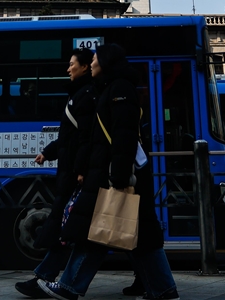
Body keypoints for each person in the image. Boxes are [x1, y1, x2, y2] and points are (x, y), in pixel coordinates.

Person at [42, 44, 178, 300]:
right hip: (111, 173)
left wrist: (119, 176)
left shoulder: (119, 89)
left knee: (102, 232)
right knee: (135, 236)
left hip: (116, 176)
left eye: (95, 58)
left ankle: (69, 286)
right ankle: (164, 289)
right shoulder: (111, 88)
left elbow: (123, 136)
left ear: (106, 62)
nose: (92, 63)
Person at [14, 48, 96, 298]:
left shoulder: (86, 95)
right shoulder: (79, 93)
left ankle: (45, 277)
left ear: (84, 66)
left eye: (72, 64)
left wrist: (80, 169)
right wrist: (48, 152)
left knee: (71, 228)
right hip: (72, 170)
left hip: (76, 173)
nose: (68, 68)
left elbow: (85, 138)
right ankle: (44, 276)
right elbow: (69, 137)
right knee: (69, 227)